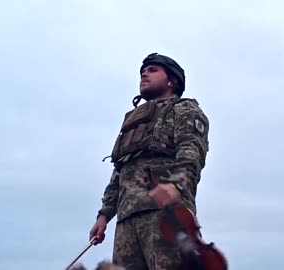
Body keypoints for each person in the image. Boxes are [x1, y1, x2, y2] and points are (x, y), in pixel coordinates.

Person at [89, 52, 210, 270]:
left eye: (153, 70)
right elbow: (121, 170)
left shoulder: (184, 110)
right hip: (127, 220)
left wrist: (177, 185)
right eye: (142, 71)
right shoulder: (132, 122)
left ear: (172, 80)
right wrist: (104, 215)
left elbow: (191, 152)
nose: (144, 73)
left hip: (165, 214)